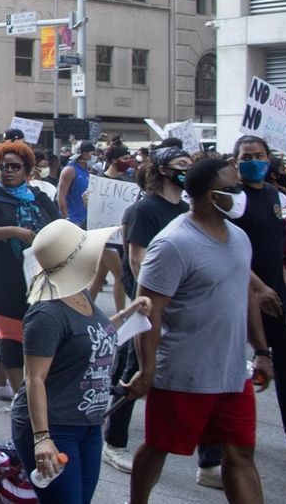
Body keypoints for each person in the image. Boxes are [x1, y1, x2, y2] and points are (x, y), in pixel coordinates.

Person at [125, 157, 272, 504]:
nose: (241, 193)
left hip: (233, 375)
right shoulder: (173, 244)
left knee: (240, 454)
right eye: (232, 188)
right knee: (159, 446)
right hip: (182, 375)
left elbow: (245, 294)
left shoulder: (239, 238)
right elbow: (147, 311)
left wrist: (262, 352)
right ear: (209, 196)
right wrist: (147, 371)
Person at [13, 219, 151, 504]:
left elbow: (89, 335)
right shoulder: (46, 314)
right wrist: (42, 439)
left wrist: (129, 312)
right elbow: (34, 378)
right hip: (55, 427)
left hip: (88, 424)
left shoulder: (80, 293)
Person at [103, 145, 199, 476]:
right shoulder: (144, 210)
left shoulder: (188, 208)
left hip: (177, 301)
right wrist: (156, 295)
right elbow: (136, 259)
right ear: (162, 170)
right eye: (180, 164)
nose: (187, 169)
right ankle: (114, 442)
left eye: (190, 164)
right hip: (148, 301)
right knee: (133, 367)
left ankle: (210, 457)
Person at [228, 135, 286, 457]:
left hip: (275, 297)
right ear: (236, 162)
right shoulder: (230, 200)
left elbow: (278, 251)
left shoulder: (276, 197)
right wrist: (258, 287)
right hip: (239, 296)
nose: (255, 161)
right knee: (233, 369)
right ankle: (224, 445)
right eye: (247, 156)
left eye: (260, 155)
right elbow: (230, 253)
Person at [0, 140, 62, 399]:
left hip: (35, 276)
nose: (9, 171)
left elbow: (59, 226)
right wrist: (13, 231)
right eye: (3, 167)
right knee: (14, 332)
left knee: (11, 329)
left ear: (28, 170)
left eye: (15, 166)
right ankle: (21, 397)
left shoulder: (40, 197)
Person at [85, 143, 131, 312]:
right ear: (113, 160)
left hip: (117, 237)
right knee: (119, 276)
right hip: (105, 238)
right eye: (125, 159)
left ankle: (86, 310)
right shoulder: (99, 180)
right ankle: (122, 314)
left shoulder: (125, 182)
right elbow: (91, 209)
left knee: (99, 277)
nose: (128, 162)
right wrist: (87, 202)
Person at [56, 141, 94, 228]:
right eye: (92, 153)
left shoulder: (87, 171)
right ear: (84, 154)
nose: (94, 156)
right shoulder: (70, 170)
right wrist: (66, 218)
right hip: (73, 220)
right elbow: (61, 196)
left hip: (85, 220)